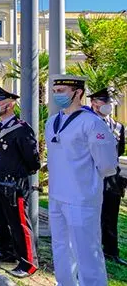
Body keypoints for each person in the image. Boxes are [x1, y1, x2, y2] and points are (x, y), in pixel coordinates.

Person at [45, 75, 118, 285]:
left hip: (81, 197)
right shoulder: (52, 121)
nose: (57, 95)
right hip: (57, 195)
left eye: (62, 91)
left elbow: (107, 164)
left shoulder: (91, 123)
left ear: (78, 93)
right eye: (55, 91)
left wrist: (86, 181)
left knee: (87, 252)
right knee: (61, 249)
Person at [0, 86, 40, 278]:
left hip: (14, 185)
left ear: (10, 104)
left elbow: (33, 160)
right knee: (2, 220)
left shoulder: (21, 129)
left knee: (19, 223)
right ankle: (6, 251)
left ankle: (28, 263)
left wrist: (19, 174)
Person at [89, 87, 127, 265]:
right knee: (93, 216)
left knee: (111, 215)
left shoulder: (119, 127)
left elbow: (119, 151)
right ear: (94, 103)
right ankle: (93, 249)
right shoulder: (89, 123)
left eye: (109, 102)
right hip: (92, 176)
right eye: (104, 101)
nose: (108, 105)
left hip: (112, 179)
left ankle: (111, 251)